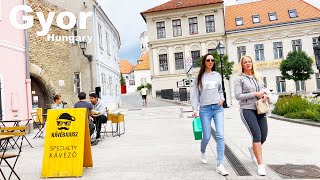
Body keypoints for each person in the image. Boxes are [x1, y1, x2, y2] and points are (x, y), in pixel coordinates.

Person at [191, 54, 229, 176]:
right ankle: (203, 151)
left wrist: (222, 99)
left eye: (212, 60)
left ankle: (220, 164)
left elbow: (220, 90)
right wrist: (194, 109)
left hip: (217, 108)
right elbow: (195, 94)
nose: (211, 62)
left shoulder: (217, 75)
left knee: (220, 135)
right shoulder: (199, 77)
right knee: (206, 136)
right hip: (205, 109)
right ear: (204, 62)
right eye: (208, 60)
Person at [234, 56, 269, 176]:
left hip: (260, 108)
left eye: (249, 62)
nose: (248, 63)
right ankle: (260, 165)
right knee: (257, 135)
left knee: (264, 136)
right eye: (245, 62)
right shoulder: (239, 79)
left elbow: (264, 90)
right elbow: (238, 96)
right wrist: (255, 93)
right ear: (242, 65)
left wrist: (265, 95)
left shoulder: (257, 77)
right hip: (247, 109)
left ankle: (253, 149)